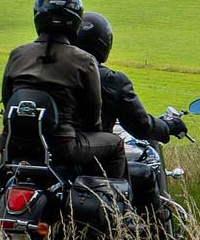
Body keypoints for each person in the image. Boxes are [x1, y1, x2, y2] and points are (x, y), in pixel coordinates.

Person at [1, 0, 126, 178]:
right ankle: (112, 201)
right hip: (63, 145)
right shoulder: (84, 60)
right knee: (115, 144)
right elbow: (92, 116)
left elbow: (7, 98)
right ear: (76, 20)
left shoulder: (17, 54)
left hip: (12, 142)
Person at [73, 12, 187, 143]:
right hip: (90, 153)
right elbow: (141, 126)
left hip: (53, 149)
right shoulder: (112, 80)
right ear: (105, 41)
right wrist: (169, 126)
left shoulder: (56, 71)